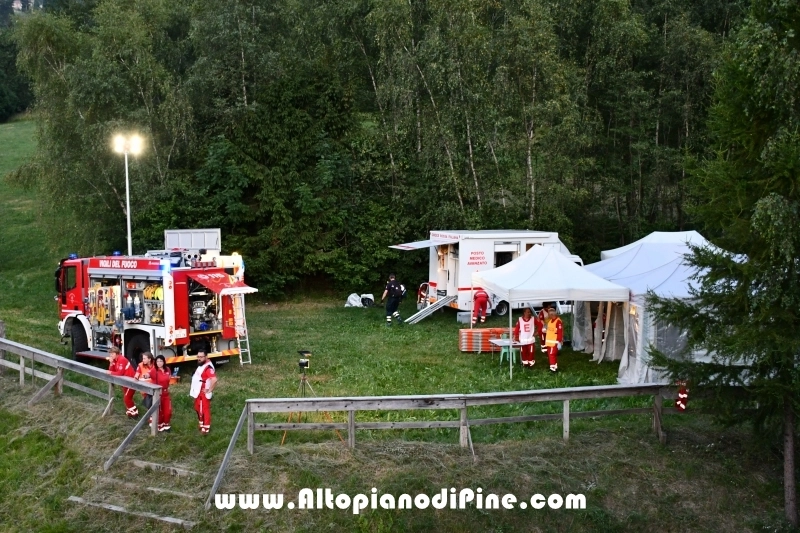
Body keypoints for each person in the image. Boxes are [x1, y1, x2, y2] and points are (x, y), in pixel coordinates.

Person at [190, 351, 217, 434]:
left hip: (203, 393)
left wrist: (209, 390)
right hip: (198, 392)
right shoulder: (201, 365)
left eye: (201, 357)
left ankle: (206, 427)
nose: (199, 358)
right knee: (198, 408)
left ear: (206, 357)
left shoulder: (208, 368)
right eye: (198, 356)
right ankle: (201, 424)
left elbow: (214, 379)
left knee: (204, 410)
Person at [107, 346, 139, 418]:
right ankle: (131, 412)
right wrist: (111, 363)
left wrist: (110, 373)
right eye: (110, 354)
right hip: (125, 382)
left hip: (131, 381)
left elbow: (119, 373)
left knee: (127, 398)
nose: (111, 356)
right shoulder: (115, 360)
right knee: (127, 398)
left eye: (112, 354)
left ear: (117, 354)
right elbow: (112, 370)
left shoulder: (122, 359)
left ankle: (135, 413)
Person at [152, 355, 173, 432]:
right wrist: (144, 375)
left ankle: (166, 424)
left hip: (166, 393)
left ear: (164, 362)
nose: (159, 363)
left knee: (168, 411)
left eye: (161, 361)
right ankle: (160, 425)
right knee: (159, 410)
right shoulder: (154, 370)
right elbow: (148, 374)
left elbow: (169, 378)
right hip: (158, 393)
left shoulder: (167, 369)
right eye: (157, 361)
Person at [544, 306, 564, 372]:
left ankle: (553, 368)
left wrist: (559, 341)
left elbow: (560, 332)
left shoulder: (558, 322)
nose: (548, 316)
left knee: (551, 355)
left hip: (554, 342)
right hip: (549, 342)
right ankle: (554, 366)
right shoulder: (550, 321)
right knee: (551, 355)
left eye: (549, 314)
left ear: (552, 314)